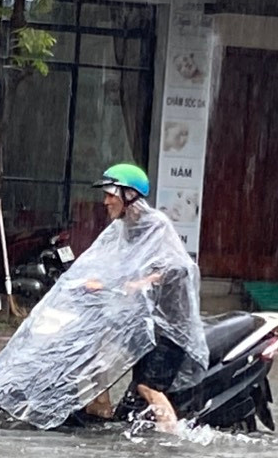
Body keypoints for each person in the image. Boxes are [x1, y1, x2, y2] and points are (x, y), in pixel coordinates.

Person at [80, 163, 206, 431]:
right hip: (140, 322)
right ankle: (100, 410)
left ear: (129, 195)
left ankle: (173, 439)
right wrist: (93, 282)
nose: (105, 202)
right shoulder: (123, 229)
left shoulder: (156, 225)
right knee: (95, 351)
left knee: (148, 388)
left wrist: (142, 283)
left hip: (169, 328)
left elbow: (178, 267)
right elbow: (112, 264)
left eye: (111, 195)